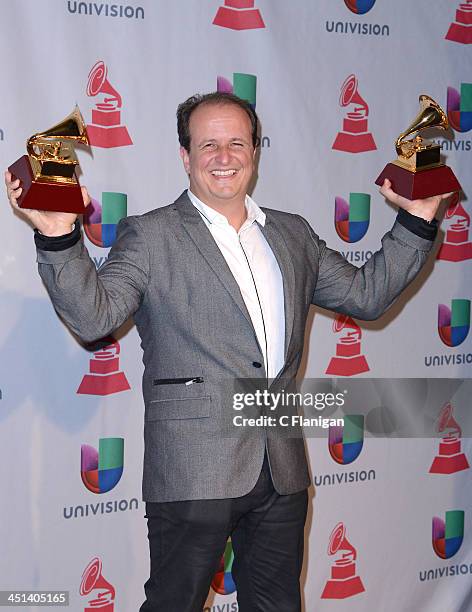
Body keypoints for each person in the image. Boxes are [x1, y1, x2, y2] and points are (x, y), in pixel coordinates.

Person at [5, 92, 449, 612]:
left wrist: (416, 223)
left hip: (280, 468)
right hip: (194, 470)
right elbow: (94, 317)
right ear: (185, 156)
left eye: (237, 142)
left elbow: (366, 296)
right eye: (208, 143)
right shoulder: (150, 236)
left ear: (255, 152)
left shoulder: (293, 234)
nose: (224, 155)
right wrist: (58, 237)